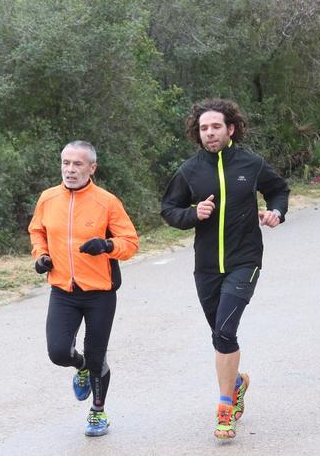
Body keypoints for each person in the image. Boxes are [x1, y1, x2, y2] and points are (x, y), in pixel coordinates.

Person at [161, 99, 289, 439]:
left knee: (225, 331)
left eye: (216, 126)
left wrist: (276, 212)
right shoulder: (190, 170)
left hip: (244, 260)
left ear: (230, 128)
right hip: (206, 268)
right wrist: (193, 214)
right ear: (197, 132)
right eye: (204, 128)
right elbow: (169, 209)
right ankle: (237, 383)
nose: (210, 133)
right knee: (220, 334)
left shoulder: (251, 163)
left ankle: (224, 407)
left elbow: (278, 189)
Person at [28, 140, 139, 437]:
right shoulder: (48, 198)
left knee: (96, 353)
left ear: (92, 168)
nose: (70, 169)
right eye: (66, 163)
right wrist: (40, 256)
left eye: (77, 164)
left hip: (100, 293)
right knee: (58, 352)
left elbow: (130, 242)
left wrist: (106, 245)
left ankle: (98, 412)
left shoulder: (107, 202)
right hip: (63, 290)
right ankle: (80, 368)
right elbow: (37, 230)